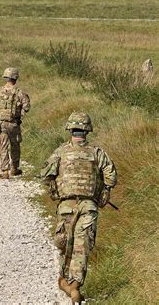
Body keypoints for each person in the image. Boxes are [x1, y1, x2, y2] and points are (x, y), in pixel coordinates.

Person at [40, 112, 117, 304]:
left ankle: (66, 281)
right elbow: (111, 177)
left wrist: (54, 191)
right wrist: (103, 191)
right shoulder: (97, 152)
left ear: (70, 130)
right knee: (81, 246)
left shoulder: (60, 152)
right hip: (88, 206)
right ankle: (74, 285)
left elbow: (45, 176)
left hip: (66, 205)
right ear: (87, 131)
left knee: (65, 242)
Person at [0, 68, 30, 179]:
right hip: (14, 124)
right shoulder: (20, 92)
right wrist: (20, 112)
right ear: (15, 78)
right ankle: (14, 168)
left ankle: (5, 171)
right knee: (15, 145)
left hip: (1, 123)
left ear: (5, 77)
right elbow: (27, 107)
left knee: (3, 146)